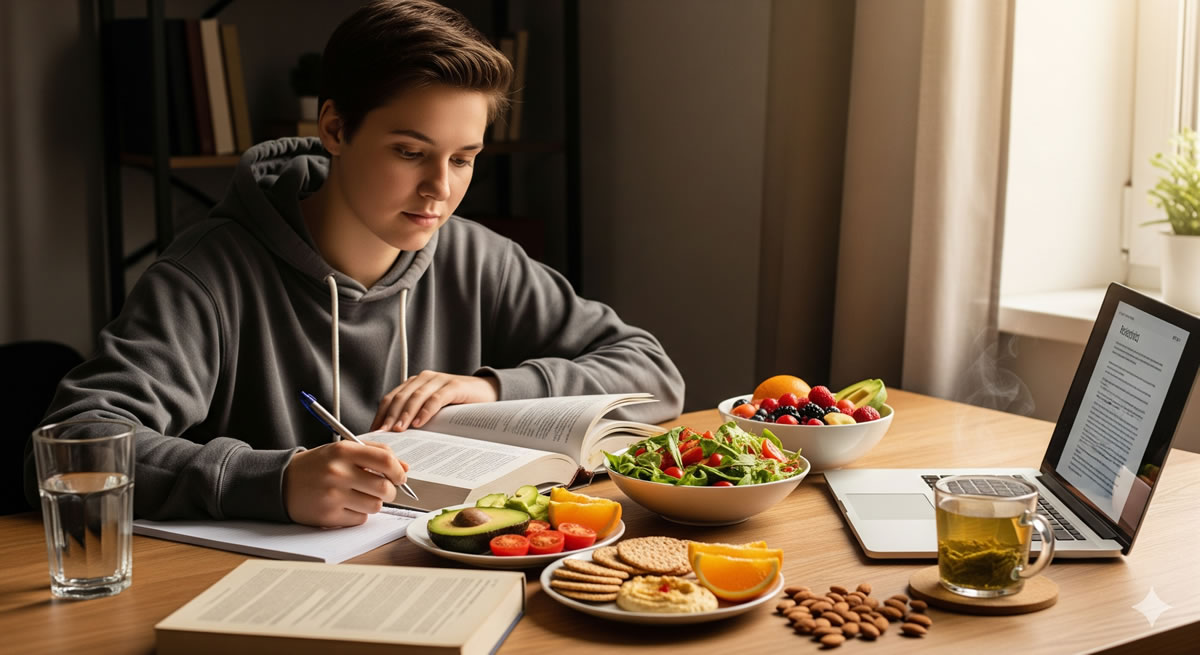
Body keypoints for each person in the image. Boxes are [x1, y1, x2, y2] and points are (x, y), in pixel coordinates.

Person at [24, 0, 684, 527]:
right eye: (409, 151)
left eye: (463, 158)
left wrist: (490, 388)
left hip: (443, 573)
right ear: (335, 129)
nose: (440, 189)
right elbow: (77, 443)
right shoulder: (209, 272)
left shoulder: (476, 254)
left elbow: (654, 373)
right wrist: (274, 480)